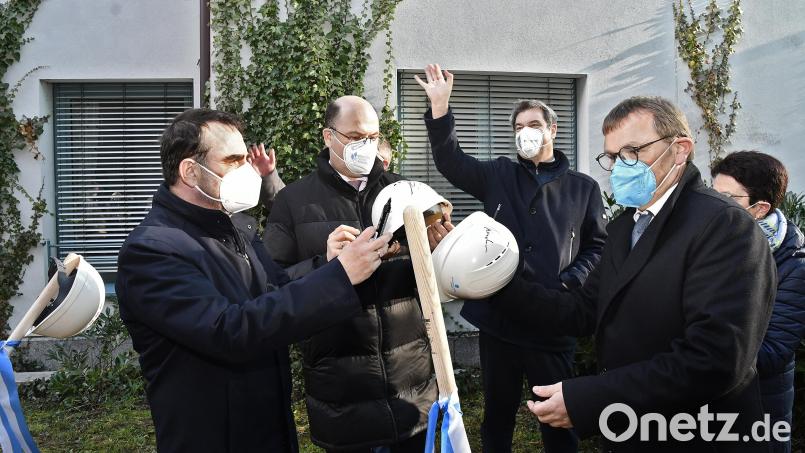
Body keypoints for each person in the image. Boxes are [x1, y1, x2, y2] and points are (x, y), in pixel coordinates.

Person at [493, 96, 776, 452]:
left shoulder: (724, 225)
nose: (619, 167)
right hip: (634, 432)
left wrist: (591, 400)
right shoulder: (625, 226)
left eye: (632, 151)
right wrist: (495, 283)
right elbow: (581, 310)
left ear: (679, 150)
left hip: (700, 435)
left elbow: (714, 360)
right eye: (612, 157)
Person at [116, 108, 393, 453]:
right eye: (232, 161)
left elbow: (274, 288)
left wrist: (327, 265)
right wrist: (338, 277)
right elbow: (227, 330)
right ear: (189, 171)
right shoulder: (152, 251)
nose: (246, 170)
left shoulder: (233, 227)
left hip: (267, 426)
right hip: (214, 438)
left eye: (245, 159)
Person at [415, 64, 607, 453]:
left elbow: (598, 247)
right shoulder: (499, 174)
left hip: (552, 322)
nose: (525, 132)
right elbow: (451, 160)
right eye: (518, 127)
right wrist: (440, 107)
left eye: (533, 124)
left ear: (552, 130)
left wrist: (570, 282)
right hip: (499, 318)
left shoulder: (583, 188)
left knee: (557, 420)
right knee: (497, 415)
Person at [264, 96, 449, 452]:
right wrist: (325, 263)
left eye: (373, 137)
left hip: (410, 388)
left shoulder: (407, 193)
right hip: (342, 393)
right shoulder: (295, 201)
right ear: (328, 137)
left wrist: (439, 250)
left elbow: (433, 280)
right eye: (354, 137)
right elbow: (273, 283)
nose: (366, 147)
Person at [712, 151, 805, 453]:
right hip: (707, 409)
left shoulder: (793, 266)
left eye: (728, 198)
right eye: (713, 194)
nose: (715, 206)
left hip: (760, 410)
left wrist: (698, 354)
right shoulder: (711, 245)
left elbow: (774, 351)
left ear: (760, 208)